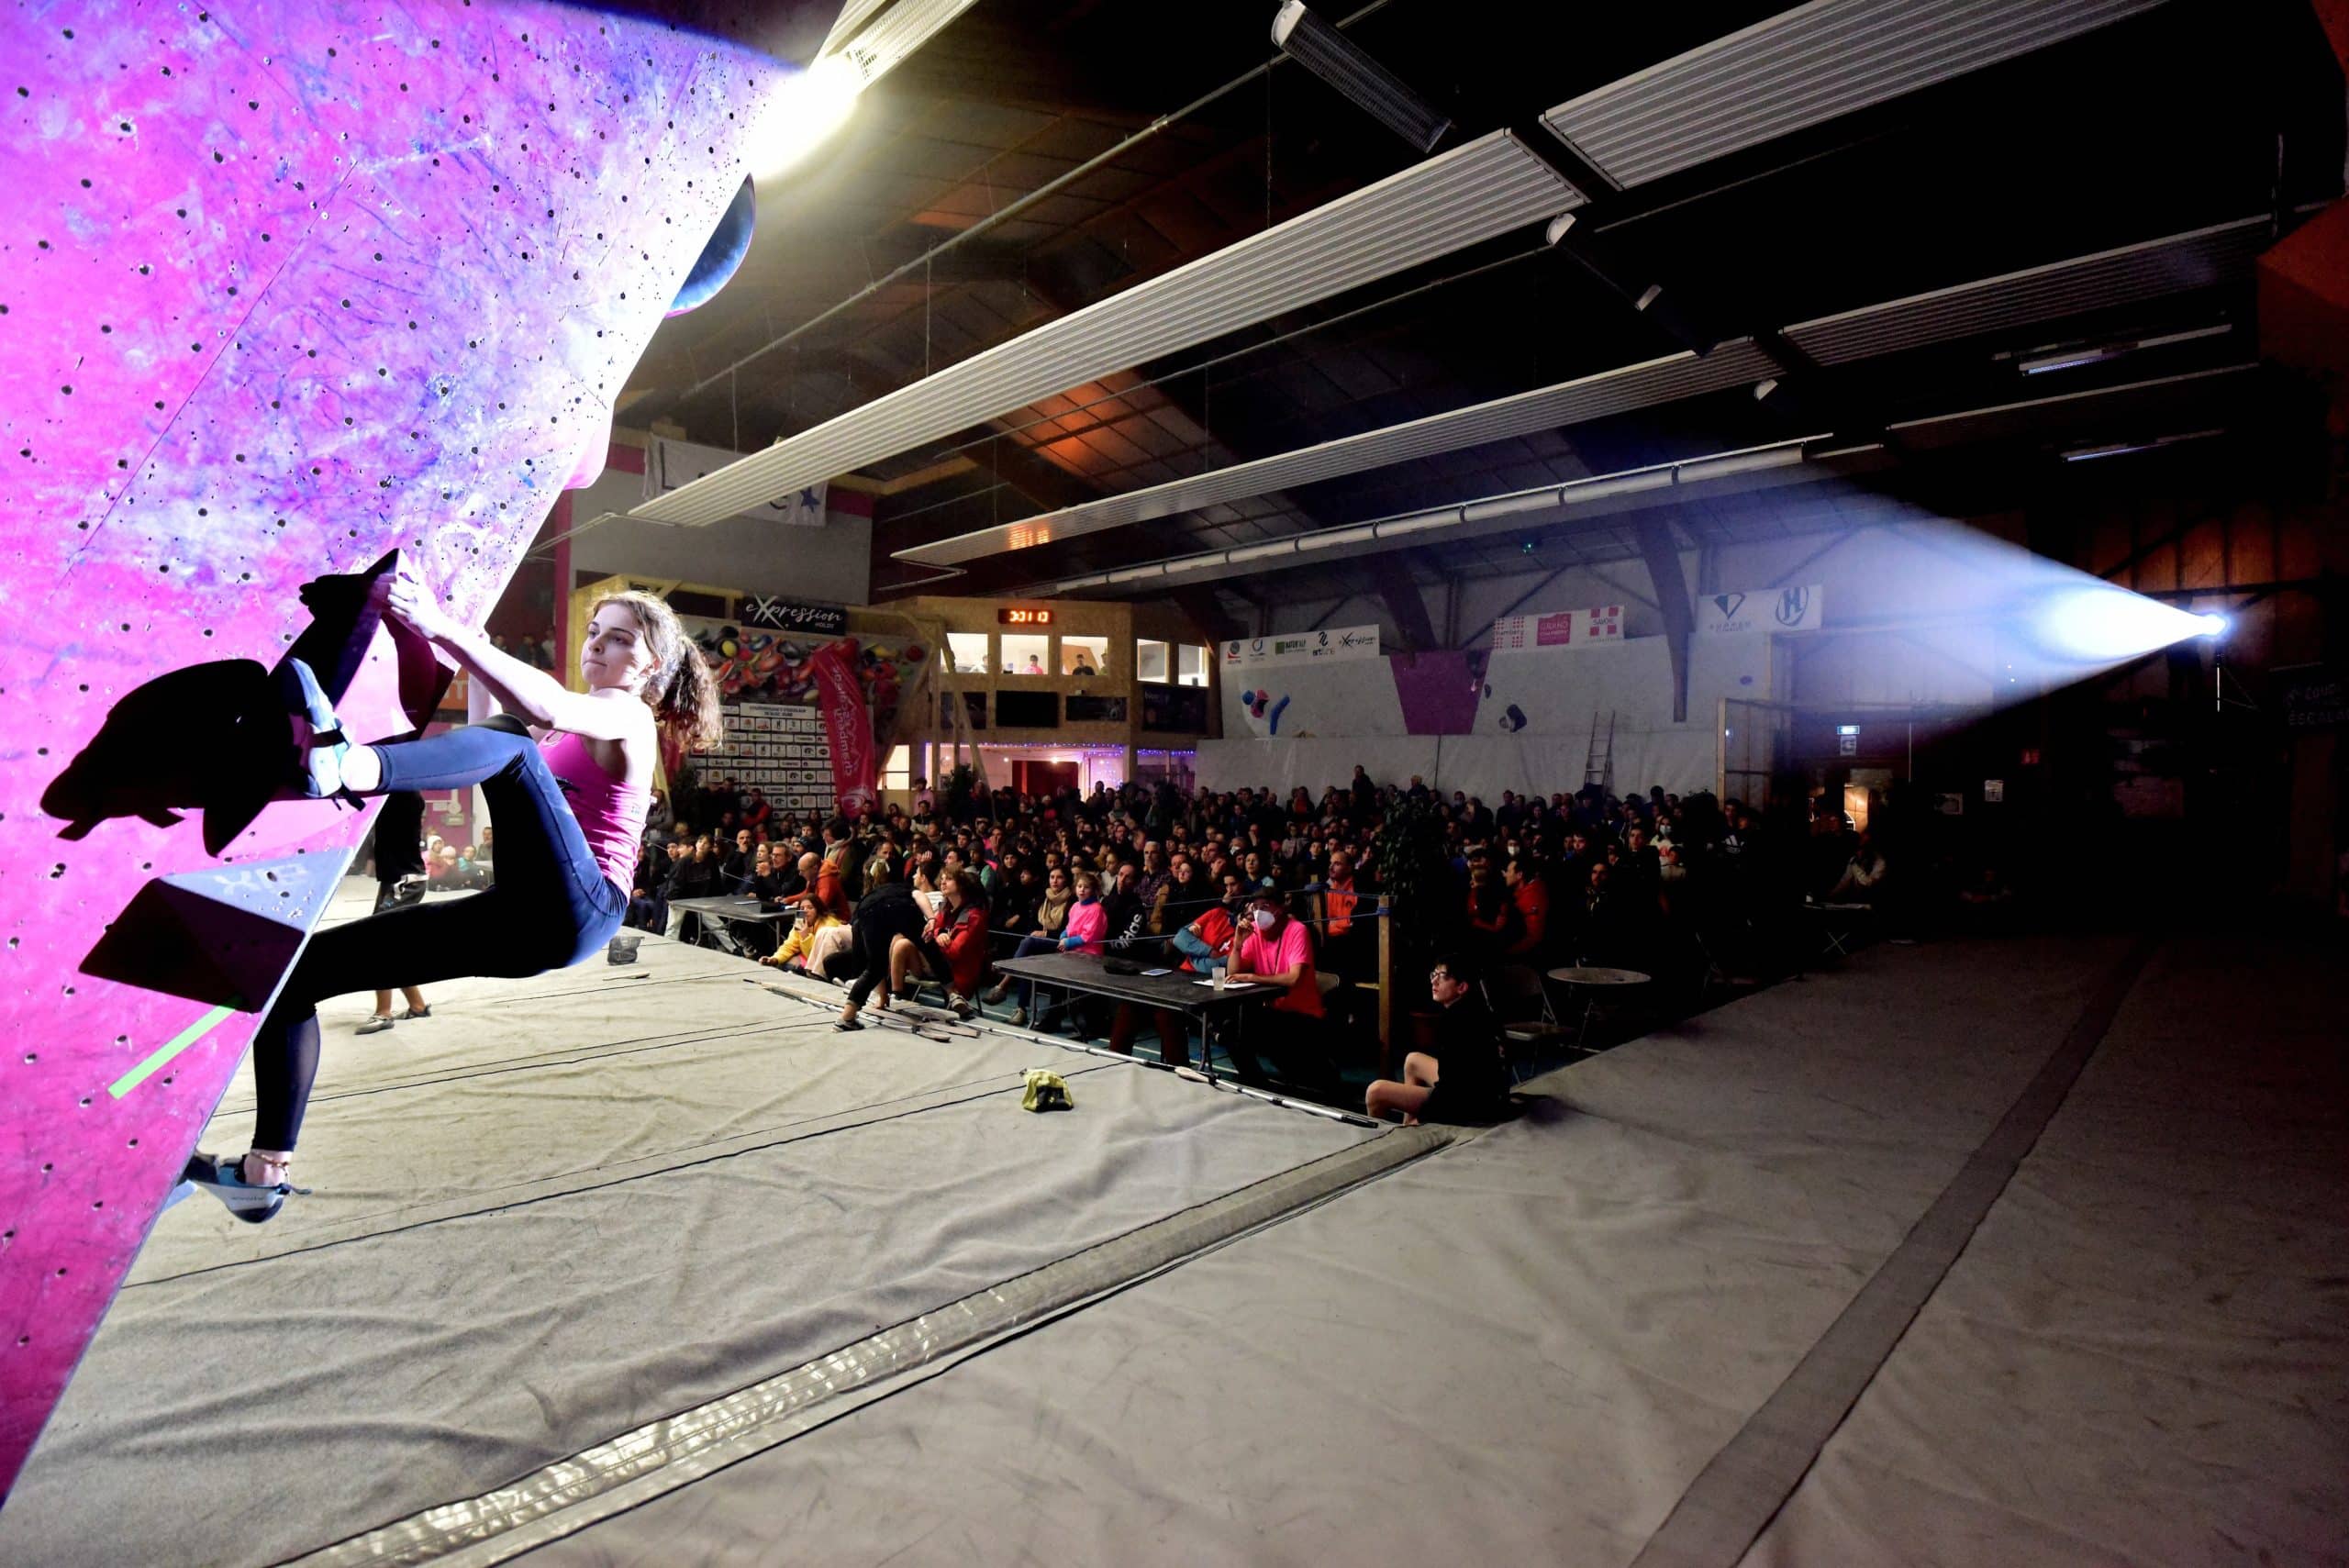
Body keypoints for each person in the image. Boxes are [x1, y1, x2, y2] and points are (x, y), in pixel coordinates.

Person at [179, 584, 720, 1221]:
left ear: (652, 666)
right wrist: (476, 662)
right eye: (595, 630)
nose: (598, 643)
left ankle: (344, 767)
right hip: (518, 913)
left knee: (515, 744)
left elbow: (539, 707)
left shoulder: (627, 715)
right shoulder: (558, 733)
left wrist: (441, 628)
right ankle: (263, 1172)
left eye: (621, 637)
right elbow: (496, 731)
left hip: (581, 906)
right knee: (297, 976)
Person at [1365, 952, 1508, 1125]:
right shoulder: (1478, 1008)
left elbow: (1453, 1093)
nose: (1434, 982)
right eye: (1434, 975)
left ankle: (1399, 1135)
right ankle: (1407, 1132)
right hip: (1486, 1093)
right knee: (1413, 1060)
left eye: (1442, 977)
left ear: (1461, 987)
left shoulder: (1457, 1023)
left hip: (1473, 1105)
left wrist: (1423, 1117)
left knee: (1375, 1092)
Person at [358, 788, 432, 1037]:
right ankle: (417, 1005)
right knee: (390, 944)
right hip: (395, 880)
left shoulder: (403, 794)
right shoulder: (400, 793)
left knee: (377, 942)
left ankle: (384, 1012)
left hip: (404, 881)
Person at [835, 858, 926, 1031]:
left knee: (876, 967)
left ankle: (855, 1012)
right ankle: (846, 1018)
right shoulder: (893, 894)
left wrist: (883, 999)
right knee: (875, 969)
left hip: (867, 933)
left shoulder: (874, 895)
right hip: (871, 932)